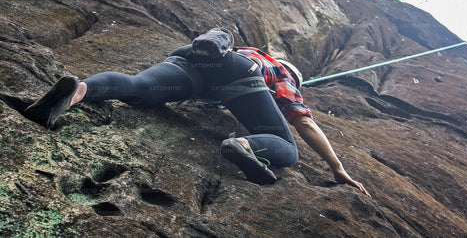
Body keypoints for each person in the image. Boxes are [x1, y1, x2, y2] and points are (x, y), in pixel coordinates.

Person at [24, 28, 370, 196]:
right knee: (289, 149)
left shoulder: (251, 50)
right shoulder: (280, 74)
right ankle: (248, 147)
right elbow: (304, 122)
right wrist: (337, 168)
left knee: (138, 89)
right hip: (236, 75)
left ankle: (76, 93)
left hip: (190, 61)